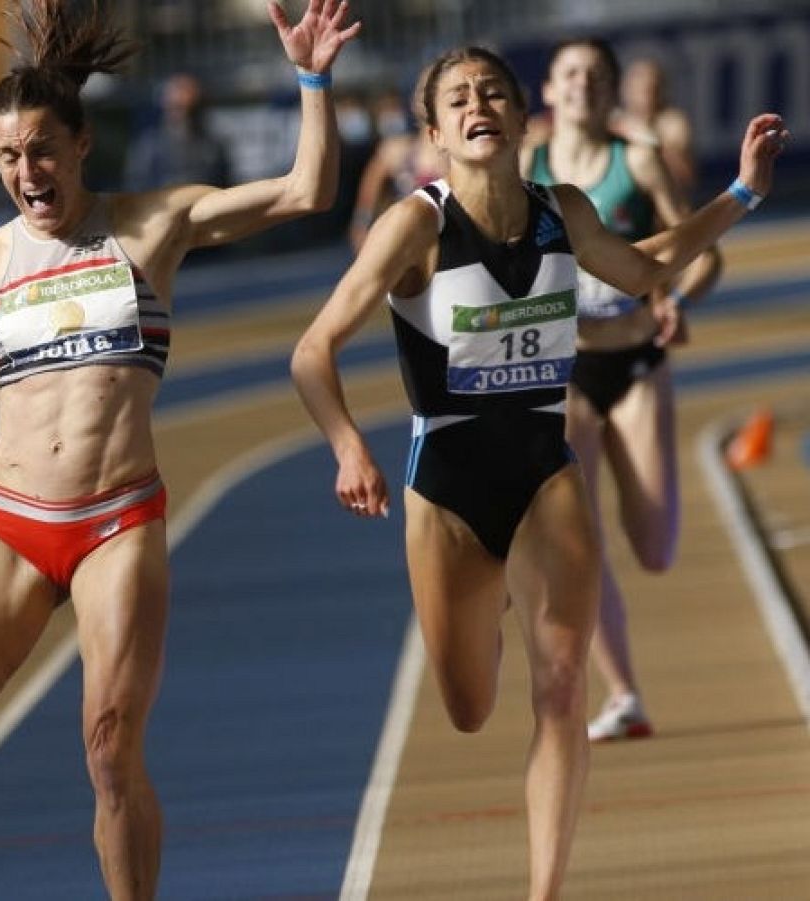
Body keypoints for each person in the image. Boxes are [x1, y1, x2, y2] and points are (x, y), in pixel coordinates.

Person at [0, 1, 358, 896]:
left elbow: (306, 192)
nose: (28, 172)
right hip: (13, 526)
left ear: (81, 144)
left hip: (117, 523)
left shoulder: (149, 225)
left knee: (108, 746)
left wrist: (313, 80)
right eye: (9, 156)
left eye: (43, 151)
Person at [290, 45, 784, 900]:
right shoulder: (417, 225)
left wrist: (742, 192)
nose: (479, 104)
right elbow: (312, 351)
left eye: (493, 93)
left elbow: (651, 266)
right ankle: (487, 596)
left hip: (546, 473)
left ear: (523, 121)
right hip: (446, 487)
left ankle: (544, 890)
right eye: (458, 98)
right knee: (469, 708)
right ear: (436, 133)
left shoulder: (565, 210)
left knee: (559, 687)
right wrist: (345, 445)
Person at [522, 38, 722, 742]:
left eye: (596, 75)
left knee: (655, 547)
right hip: (561, 372)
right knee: (579, 541)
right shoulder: (527, 166)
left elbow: (703, 251)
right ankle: (625, 692)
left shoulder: (635, 161)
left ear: (611, 94)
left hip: (635, 361)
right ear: (549, 87)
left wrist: (677, 298)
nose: (582, 84)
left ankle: (625, 683)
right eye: (571, 72)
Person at [348, 78, 442, 251]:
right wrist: (361, 225)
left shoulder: (461, 154)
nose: (428, 100)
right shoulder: (396, 150)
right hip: (406, 245)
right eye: (423, 93)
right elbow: (368, 196)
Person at [124, 72, 233, 190]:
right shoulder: (149, 145)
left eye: (190, 108)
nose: (182, 114)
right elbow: (135, 183)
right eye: (176, 106)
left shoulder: (213, 145)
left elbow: (224, 184)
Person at [617, 57, 697, 198]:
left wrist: (648, 138)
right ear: (627, 90)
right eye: (641, 89)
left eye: (652, 88)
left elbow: (685, 176)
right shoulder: (615, 126)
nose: (647, 96)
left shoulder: (674, 123)